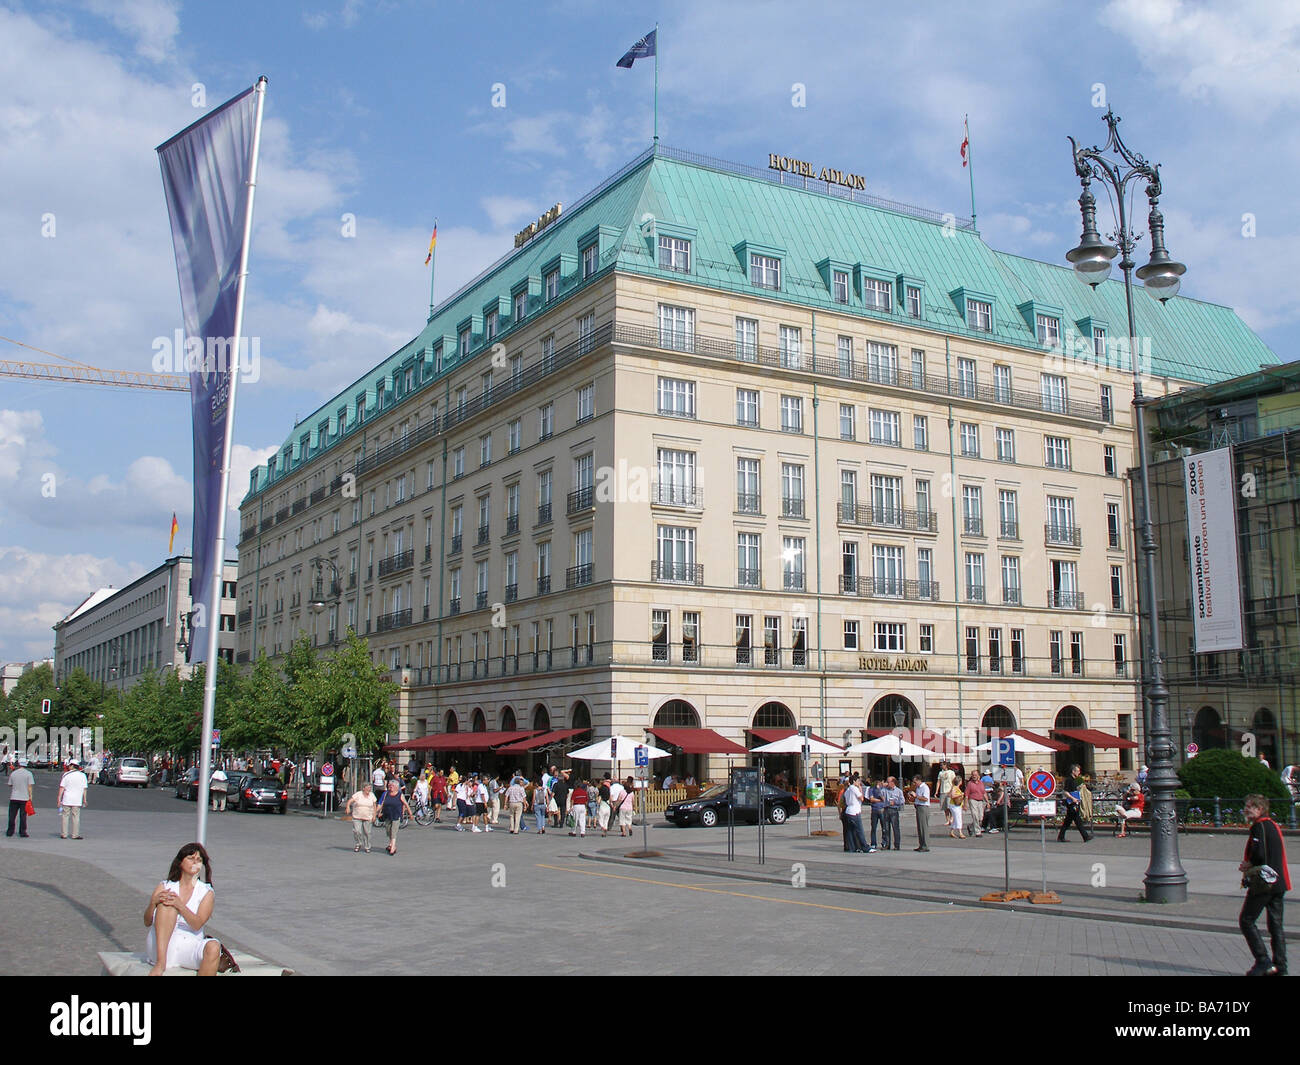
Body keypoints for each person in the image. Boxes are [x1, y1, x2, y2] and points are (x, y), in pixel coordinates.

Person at [144, 843, 222, 976]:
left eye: (199, 860)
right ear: (180, 862)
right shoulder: (166, 886)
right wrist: (153, 903)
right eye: (191, 858)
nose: (195, 862)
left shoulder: (205, 892)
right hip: (162, 946)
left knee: (214, 946)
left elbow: (197, 924)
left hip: (188, 943)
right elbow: (147, 921)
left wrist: (180, 905)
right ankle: (161, 964)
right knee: (167, 906)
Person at [1239, 794, 1290, 976]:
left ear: (1260, 809)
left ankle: (1263, 961)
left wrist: (1248, 864)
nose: (1246, 809)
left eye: (1250, 807)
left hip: (1264, 883)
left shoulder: (1259, 827)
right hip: (1280, 882)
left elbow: (1260, 854)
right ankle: (1281, 967)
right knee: (1276, 925)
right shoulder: (1273, 825)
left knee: (1246, 920)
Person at [1057, 765, 1092, 843]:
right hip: (1071, 803)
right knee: (1077, 820)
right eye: (1078, 771)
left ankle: (1061, 836)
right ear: (1073, 771)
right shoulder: (1069, 780)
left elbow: (1073, 790)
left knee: (1068, 821)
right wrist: (1073, 799)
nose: (1079, 773)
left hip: (1074, 802)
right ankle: (1085, 836)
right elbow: (1065, 792)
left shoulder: (1074, 780)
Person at [57, 760, 89, 840]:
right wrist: (84, 799)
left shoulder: (66, 775)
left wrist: (59, 798)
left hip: (67, 799)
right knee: (76, 817)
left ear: (72, 765)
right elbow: (84, 789)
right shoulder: (82, 775)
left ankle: (64, 834)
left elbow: (62, 787)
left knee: (65, 816)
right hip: (77, 799)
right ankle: (75, 834)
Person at [379, 780, 411, 855]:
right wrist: (379, 812)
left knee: (394, 831)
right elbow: (382, 803)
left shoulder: (400, 795)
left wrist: (410, 814)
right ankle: (391, 844)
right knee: (388, 830)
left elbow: (406, 804)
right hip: (387, 814)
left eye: (392, 786)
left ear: (397, 787)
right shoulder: (386, 794)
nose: (390, 787)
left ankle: (393, 847)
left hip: (396, 815)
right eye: (389, 786)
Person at [6, 758, 35, 838]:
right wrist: (30, 796)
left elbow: (10, 784)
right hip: (24, 798)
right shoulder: (29, 774)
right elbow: (30, 786)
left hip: (14, 797)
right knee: (23, 816)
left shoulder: (14, 773)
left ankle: (10, 831)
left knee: (12, 815)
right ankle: (22, 832)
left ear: (18, 764)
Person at [346, 782, 378, 853]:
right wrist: (348, 807)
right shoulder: (358, 794)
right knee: (357, 831)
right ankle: (358, 843)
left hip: (368, 816)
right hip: (357, 816)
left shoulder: (372, 795)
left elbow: (374, 806)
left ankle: (367, 846)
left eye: (370, 788)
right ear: (363, 788)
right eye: (367, 788)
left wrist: (374, 815)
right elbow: (350, 801)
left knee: (367, 832)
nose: (369, 790)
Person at [840, 774, 868, 853]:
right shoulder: (854, 788)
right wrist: (860, 789)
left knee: (850, 831)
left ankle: (851, 847)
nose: (859, 782)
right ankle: (865, 847)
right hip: (855, 812)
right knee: (859, 830)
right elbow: (861, 798)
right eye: (858, 781)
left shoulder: (848, 789)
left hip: (848, 811)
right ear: (854, 781)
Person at [883, 776, 904, 850]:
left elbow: (902, 801)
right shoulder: (885, 790)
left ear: (892, 782)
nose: (887, 783)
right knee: (886, 828)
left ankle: (897, 845)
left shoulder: (898, 791)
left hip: (894, 810)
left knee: (895, 828)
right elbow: (878, 793)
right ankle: (887, 844)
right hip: (886, 809)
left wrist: (895, 802)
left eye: (888, 782)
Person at [965, 772, 987, 837]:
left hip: (980, 801)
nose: (974, 776)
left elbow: (984, 793)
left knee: (981, 818)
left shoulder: (981, 783)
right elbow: (966, 794)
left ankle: (971, 827)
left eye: (975, 775)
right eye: (973, 775)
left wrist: (987, 802)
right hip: (972, 800)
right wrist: (965, 805)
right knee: (975, 816)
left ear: (978, 776)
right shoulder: (970, 784)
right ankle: (978, 832)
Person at [911, 776, 931, 852]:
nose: (914, 784)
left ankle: (925, 845)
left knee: (924, 827)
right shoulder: (918, 788)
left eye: (915, 782)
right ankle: (921, 844)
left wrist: (916, 796)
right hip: (918, 807)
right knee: (920, 827)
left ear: (919, 781)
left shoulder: (924, 787)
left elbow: (925, 798)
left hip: (923, 807)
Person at [937, 762, 956, 827]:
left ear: (946, 765)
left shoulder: (951, 772)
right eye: (941, 765)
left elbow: (954, 782)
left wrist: (952, 790)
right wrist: (936, 791)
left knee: (950, 806)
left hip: (949, 790)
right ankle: (947, 820)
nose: (941, 766)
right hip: (942, 791)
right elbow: (938, 782)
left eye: (942, 765)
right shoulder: (940, 773)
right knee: (944, 807)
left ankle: (952, 818)